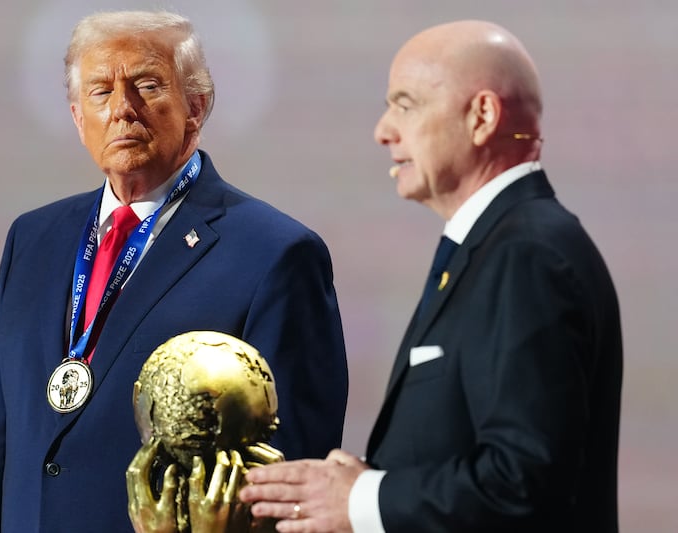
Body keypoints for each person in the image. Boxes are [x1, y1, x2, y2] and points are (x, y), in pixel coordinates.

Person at [0, 10, 348, 533]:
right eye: (101, 92)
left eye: (145, 85)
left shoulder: (275, 253)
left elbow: (286, 467)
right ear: (78, 117)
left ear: (196, 106)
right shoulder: (32, 239)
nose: (122, 109)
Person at [240, 19, 622, 533]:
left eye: (405, 104)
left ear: (482, 116)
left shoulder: (526, 254)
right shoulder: (498, 244)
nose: (383, 131)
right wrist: (379, 480)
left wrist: (363, 500)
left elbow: (523, 484)